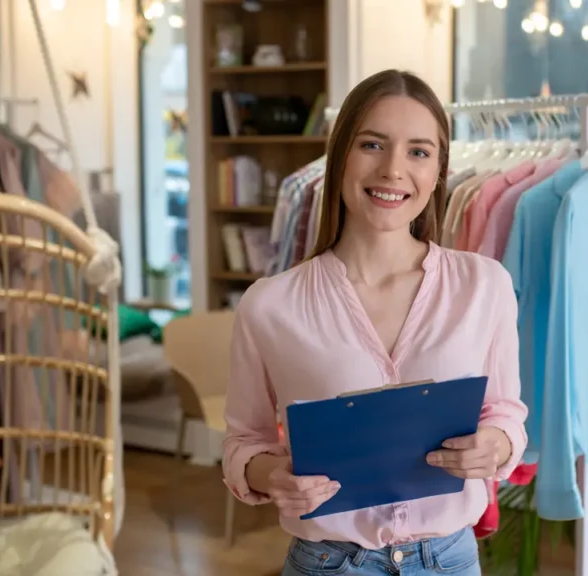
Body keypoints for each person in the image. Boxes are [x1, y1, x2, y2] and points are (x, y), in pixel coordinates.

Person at [222, 69, 527, 576]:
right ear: (339, 156)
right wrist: (273, 474)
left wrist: (495, 446)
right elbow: (242, 443)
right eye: (372, 144)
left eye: (418, 152)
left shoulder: (485, 286)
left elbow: (506, 412)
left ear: (438, 170)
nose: (393, 169)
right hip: (328, 562)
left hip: (449, 560)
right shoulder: (269, 305)